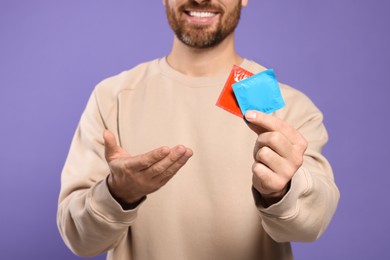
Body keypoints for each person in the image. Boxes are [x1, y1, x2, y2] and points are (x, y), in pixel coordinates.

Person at [57, 0, 340, 259]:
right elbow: (79, 240)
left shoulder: (289, 106)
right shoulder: (112, 98)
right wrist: (117, 194)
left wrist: (282, 192)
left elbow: (310, 226)